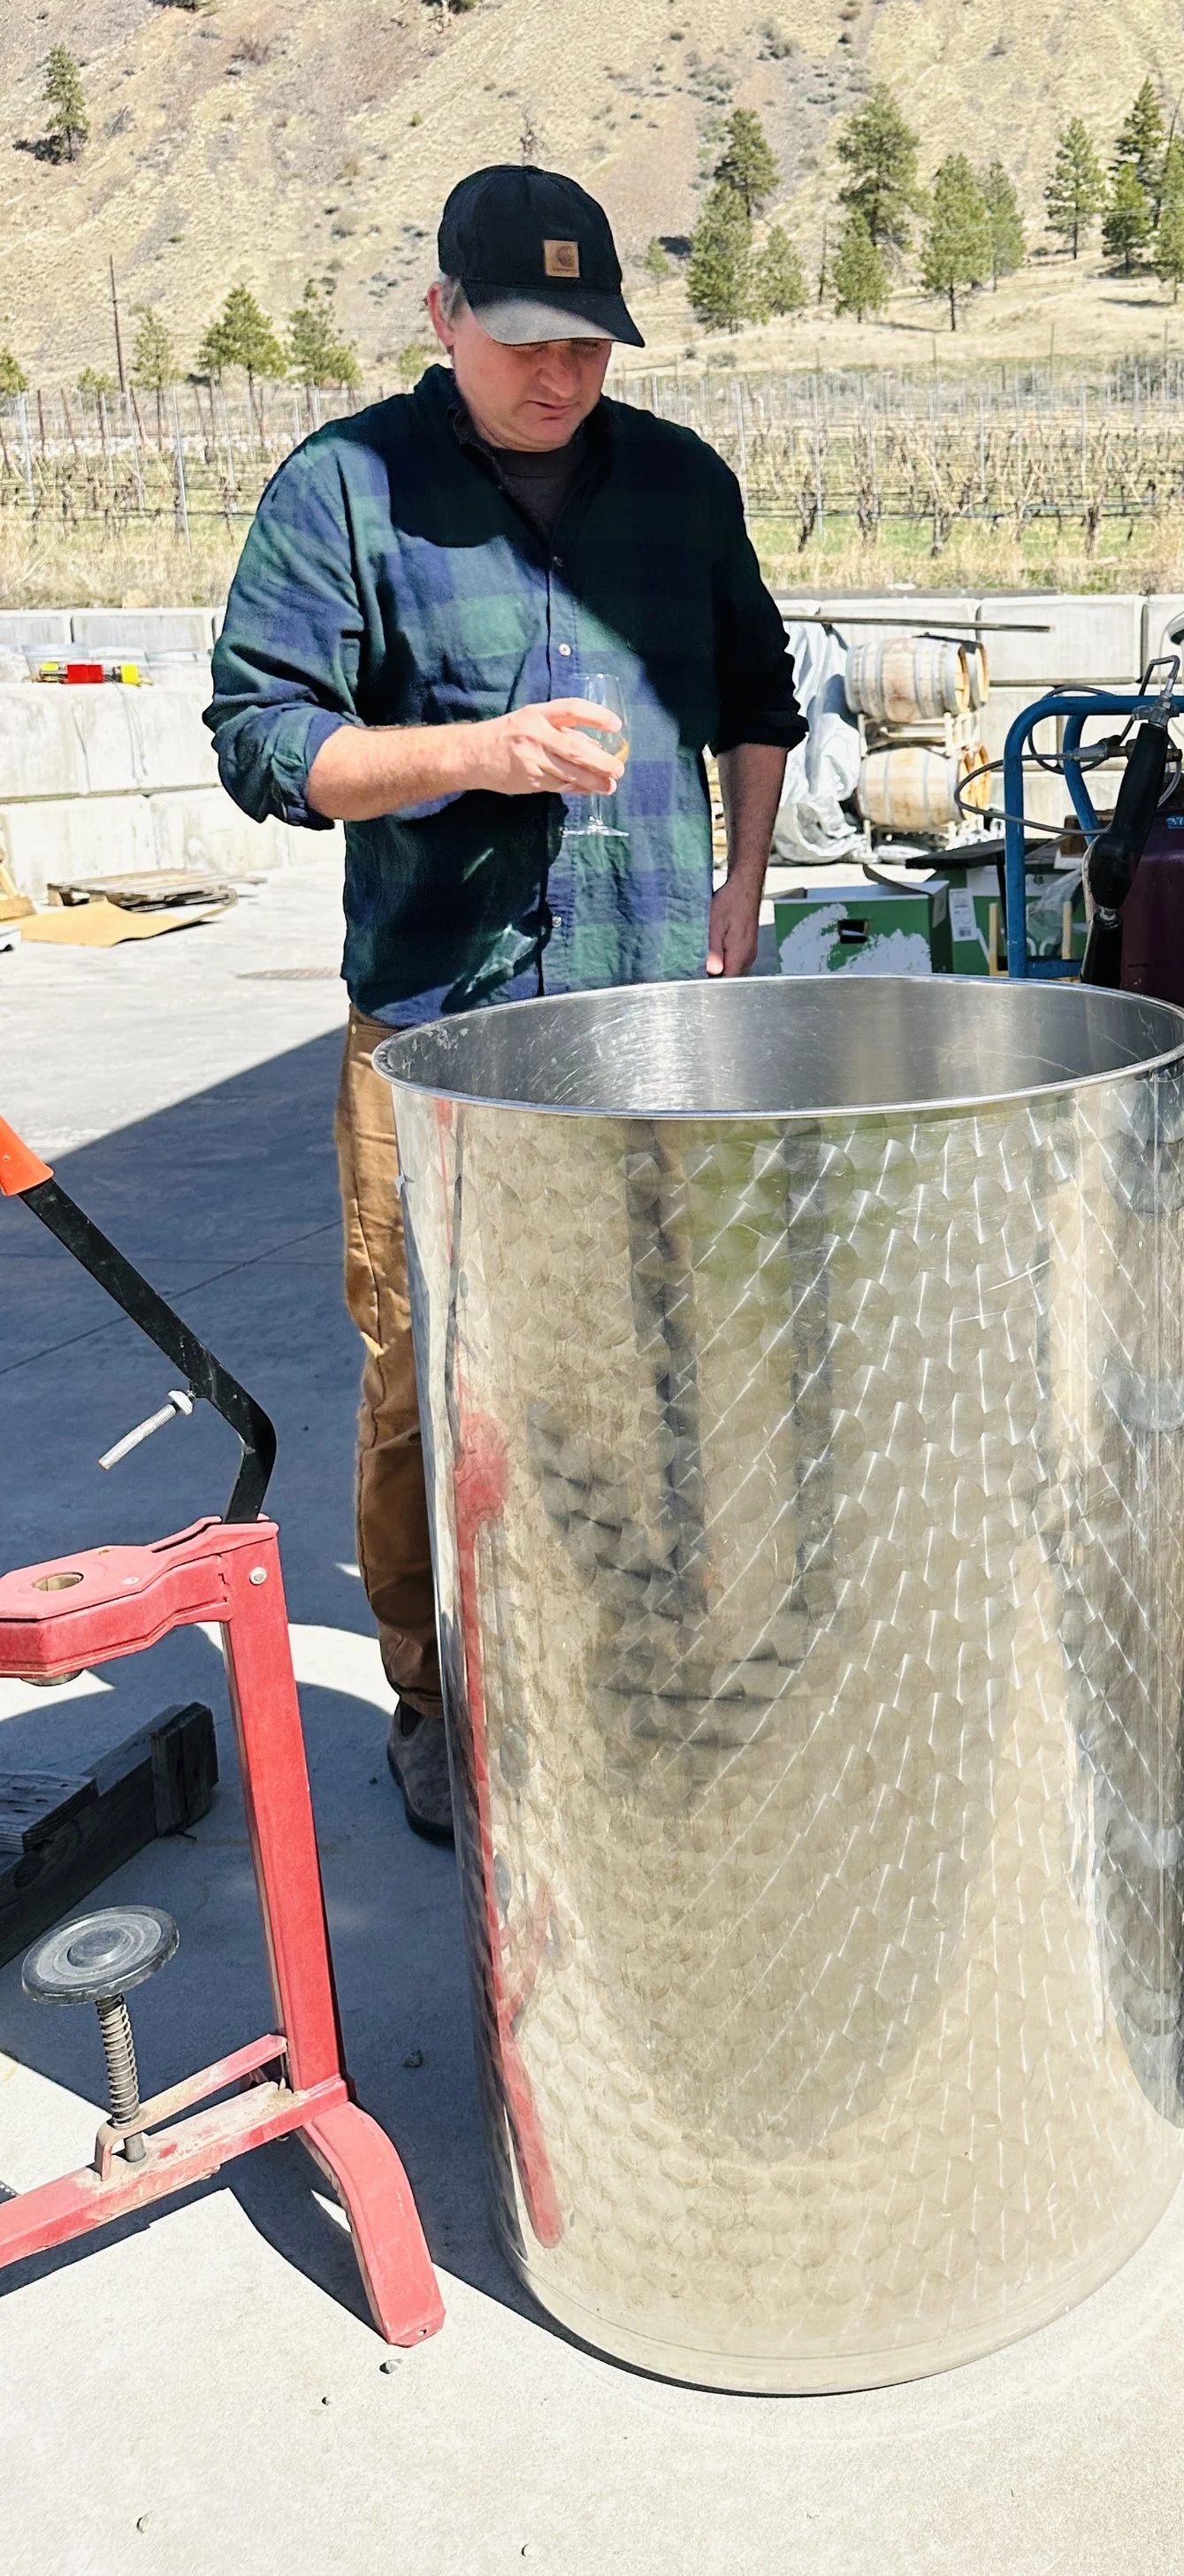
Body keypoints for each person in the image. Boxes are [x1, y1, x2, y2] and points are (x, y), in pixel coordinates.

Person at [208, 164, 805, 1844]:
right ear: (443, 319)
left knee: (653, 1360)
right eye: (527, 340)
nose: (563, 375)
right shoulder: (346, 490)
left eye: (592, 345)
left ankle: (632, 1664)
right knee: (421, 1372)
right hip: (436, 1034)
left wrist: (742, 885)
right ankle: (432, 1689)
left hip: (643, 1025)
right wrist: (474, 757)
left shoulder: (680, 486)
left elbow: (758, 699)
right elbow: (265, 744)